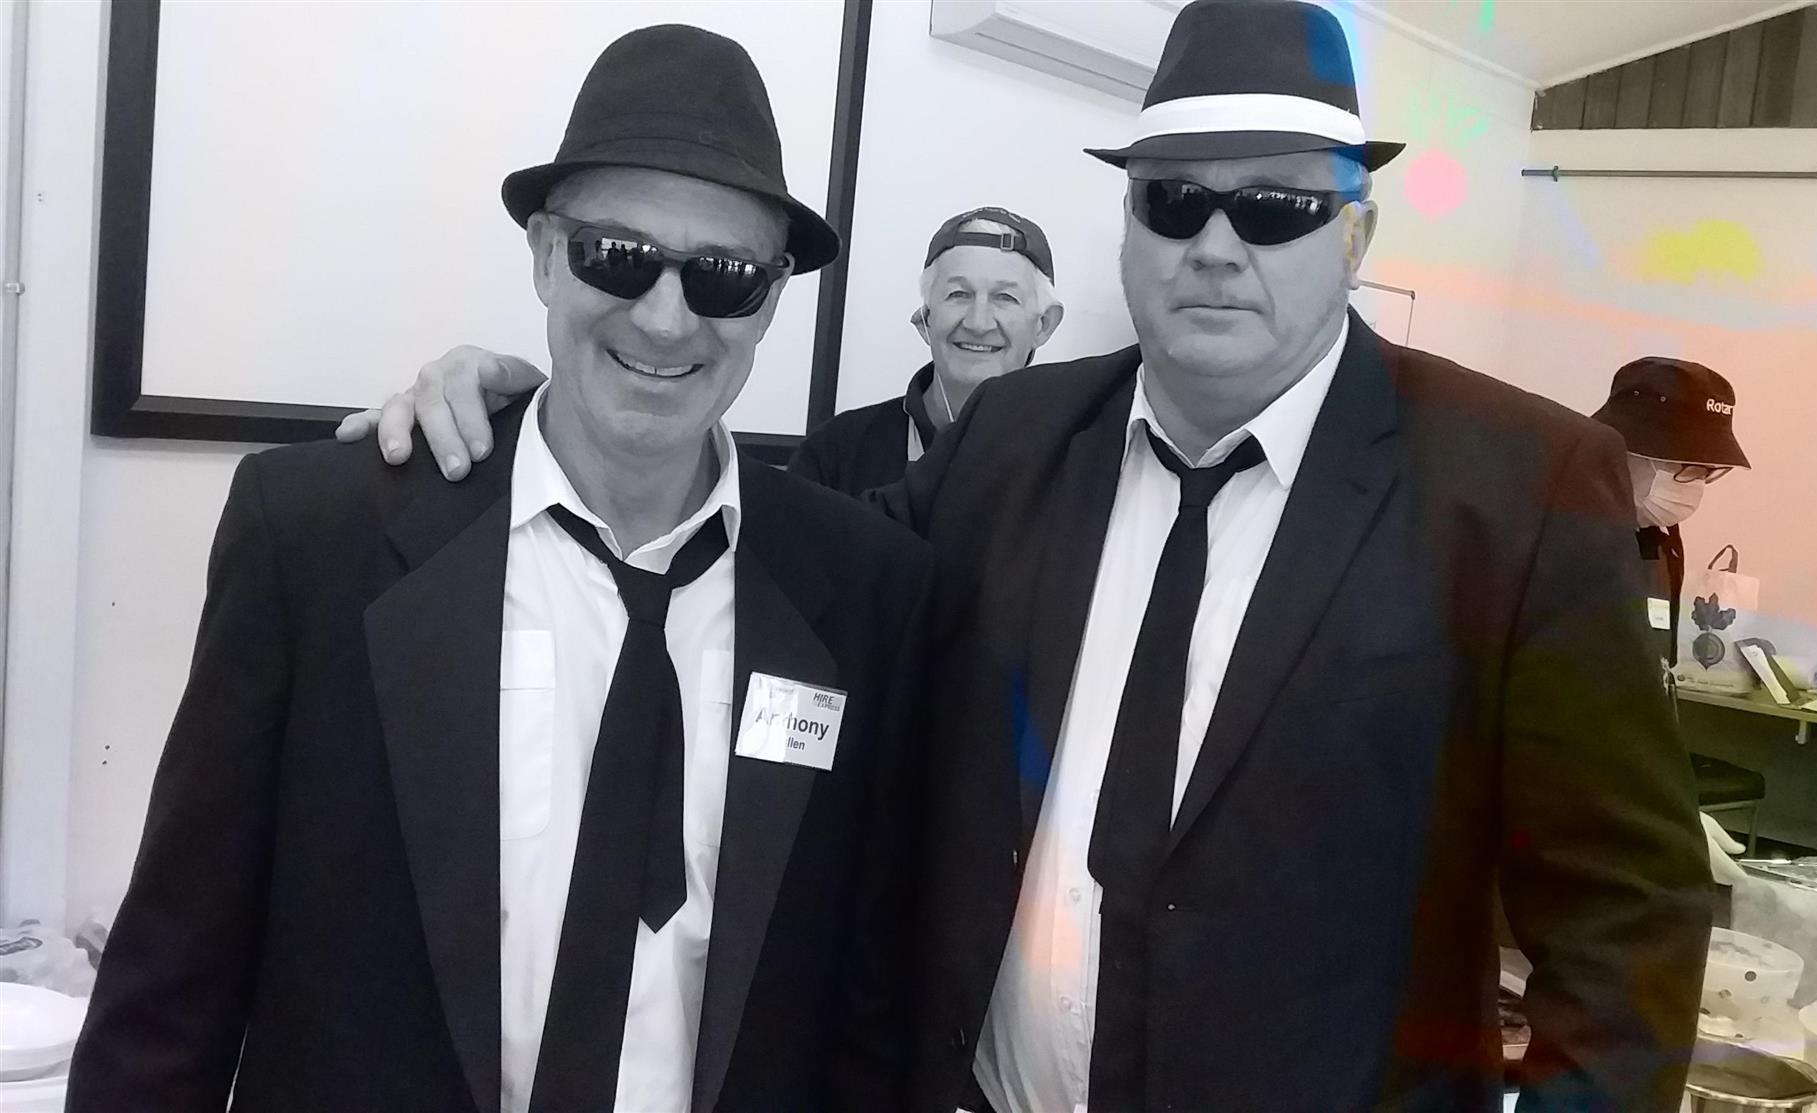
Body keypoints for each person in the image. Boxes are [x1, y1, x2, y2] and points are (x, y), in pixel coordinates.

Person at [347, 2, 1714, 1109]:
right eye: (1173, 203)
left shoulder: (1512, 488)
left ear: (1357, 230)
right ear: (1128, 226)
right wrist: (553, 418)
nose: (1216, 246)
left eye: (1276, 209)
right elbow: (792, 562)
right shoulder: (1013, 440)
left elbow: (1627, 919)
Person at [68, 26, 927, 1113]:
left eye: (723, 277)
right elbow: (171, 984)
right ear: (544, 256)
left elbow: (864, 1006)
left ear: (771, 299)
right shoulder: (322, 539)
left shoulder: (866, 590)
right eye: (617, 255)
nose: (666, 319)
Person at [783, 208, 1062, 494]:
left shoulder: (1073, 458)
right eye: (958, 294)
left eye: (1005, 297)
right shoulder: (835, 454)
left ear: (1044, 324)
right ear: (924, 320)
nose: (978, 323)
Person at [1590, 357, 1751, 675]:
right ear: (1625, 451)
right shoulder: (1558, 537)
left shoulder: (1662, 540)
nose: (1695, 483)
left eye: (1706, 471)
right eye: (1687, 467)